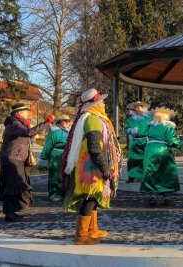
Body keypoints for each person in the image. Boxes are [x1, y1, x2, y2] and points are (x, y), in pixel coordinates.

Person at [62, 88, 122, 245]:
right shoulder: (93, 119)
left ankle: (92, 229)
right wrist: (105, 168)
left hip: (90, 162)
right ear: (94, 105)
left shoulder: (92, 118)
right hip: (91, 165)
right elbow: (94, 146)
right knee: (91, 197)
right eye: (101, 102)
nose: (103, 104)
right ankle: (81, 235)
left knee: (94, 197)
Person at [0, 103, 54, 222]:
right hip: (12, 158)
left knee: (18, 184)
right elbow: (29, 132)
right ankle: (9, 213)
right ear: (19, 113)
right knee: (12, 185)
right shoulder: (14, 123)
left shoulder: (18, 122)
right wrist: (46, 122)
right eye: (26, 111)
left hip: (17, 158)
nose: (28, 113)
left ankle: (12, 211)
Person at [140, 107, 183, 206]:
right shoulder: (167, 127)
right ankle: (166, 196)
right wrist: (182, 144)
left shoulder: (150, 126)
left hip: (150, 150)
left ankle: (153, 196)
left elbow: (143, 136)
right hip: (163, 150)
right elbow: (172, 140)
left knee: (151, 172)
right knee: (165, 172)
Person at [38, 114, 71, 202]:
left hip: (67, 155)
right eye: (65, 121)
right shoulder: (54, 132)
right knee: (55, 174)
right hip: (56, 155)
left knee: (66, 174)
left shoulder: (70, 132)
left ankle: (64, 193)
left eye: (68, 121)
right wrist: (43, 158)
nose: (67, 123)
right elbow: (47, 146)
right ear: (59, 122)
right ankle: (54, 193)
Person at [124, 101, 152, 183]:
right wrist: (130, 130)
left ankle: (147, 176)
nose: (137, 109)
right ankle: (131, 177)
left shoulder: (148, 119)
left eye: (139, 107)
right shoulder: (130, 120)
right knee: (132, 160)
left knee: (146, 159)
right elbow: (125, 129)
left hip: (145, 142)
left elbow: (154, 128)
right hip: (134, 142)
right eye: (135, 107)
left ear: (143, 108)